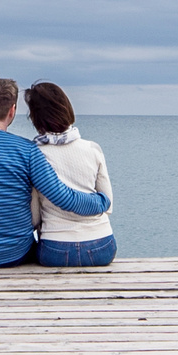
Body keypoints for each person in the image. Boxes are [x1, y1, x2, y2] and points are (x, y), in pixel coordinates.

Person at [0, 76, 111, 267]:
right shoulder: (28, 150)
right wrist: (101, 201)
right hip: (17, 254)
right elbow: (62, 196)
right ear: (12, 110)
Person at [24, 81, 114, 266]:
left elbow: (34, 218)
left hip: (55, 249)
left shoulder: (34, 155)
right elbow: (108, 205)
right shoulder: (93, 148)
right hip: (102, 246)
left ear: (35, 118)